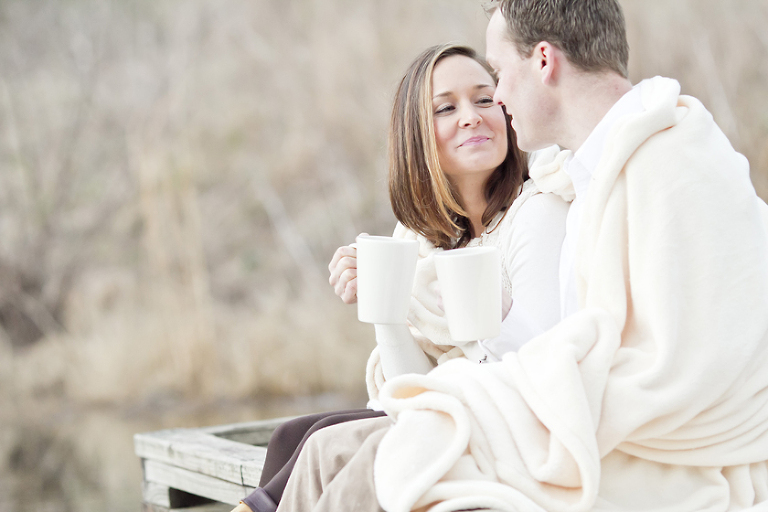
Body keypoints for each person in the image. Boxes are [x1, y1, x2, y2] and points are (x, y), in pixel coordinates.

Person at [276, 1, 768, 511]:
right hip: (588, 426)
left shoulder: (671, 165)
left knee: (374, 460)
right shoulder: (596, 179)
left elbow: (679, 372)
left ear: (544, 61)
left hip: (658, 456)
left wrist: (481, 393)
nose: (498, 99)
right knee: (325, 450)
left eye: (498, 76)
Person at [231, 43, 568, 512]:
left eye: (484, 98)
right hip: (446, 412)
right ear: (417, 136)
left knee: (325, 446)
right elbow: (410, 388)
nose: (470, 116)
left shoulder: (539, 215)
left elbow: (535, 368)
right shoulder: (417, 237)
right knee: (293, 435)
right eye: (446, 107)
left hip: (509, 425)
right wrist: (385, 308)